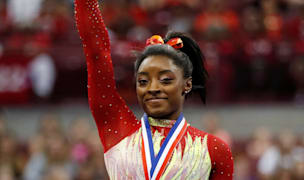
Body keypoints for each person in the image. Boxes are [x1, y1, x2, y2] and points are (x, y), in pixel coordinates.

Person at [74, 0, 234, 179]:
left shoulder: (212, 150)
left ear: (187, 84)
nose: (153, 88)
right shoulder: (118, 130)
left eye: (165, 80)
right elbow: (96, 53)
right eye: (143, 81)